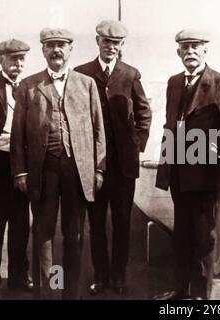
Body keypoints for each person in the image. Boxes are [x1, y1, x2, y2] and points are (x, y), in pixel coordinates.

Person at [10, 28, 106, 300]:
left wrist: (99, 169)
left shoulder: (86, 84)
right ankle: (51, 292)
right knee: (44, 234)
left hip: (78, 171)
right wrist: (20, 171)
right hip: (44, 171)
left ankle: (70, 294)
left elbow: (99, 130)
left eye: (62, 45)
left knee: (74, 235)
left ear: (70, 49)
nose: (56, 50)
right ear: (43, 50)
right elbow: (18, 135)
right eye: (51, 45)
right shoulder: (29, 86)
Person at [154, 29, 220, 300]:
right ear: (178, 52)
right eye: (185, 47)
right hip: (179, 173)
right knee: (181, 234)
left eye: (196, 46)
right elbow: (171, 125)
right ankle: (180, 290)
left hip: (207, 175)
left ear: (206, 50)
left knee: (204, 237)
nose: (190, 51)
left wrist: (214, 150)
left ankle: (201, 296)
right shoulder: (173, 83)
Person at [74, 20, 152, 295]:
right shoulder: (81, 74)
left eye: (116, 44)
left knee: (122, 224)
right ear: (98, 42)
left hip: (123, 167)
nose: (111, 48)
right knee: (96, 225)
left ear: (121, 46)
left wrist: (137, 145)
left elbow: (144, 112)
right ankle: (100, 276)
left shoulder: (130, 74)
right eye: (106, 42)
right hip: (93, 165)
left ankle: (118, 277)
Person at [0, 39, 33, 300]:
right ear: (0, 59)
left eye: (22, 59)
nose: (18, 64)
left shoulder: (28, 88)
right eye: (13, 59)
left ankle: (18, 277)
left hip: (21, 167)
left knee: (21, 225)